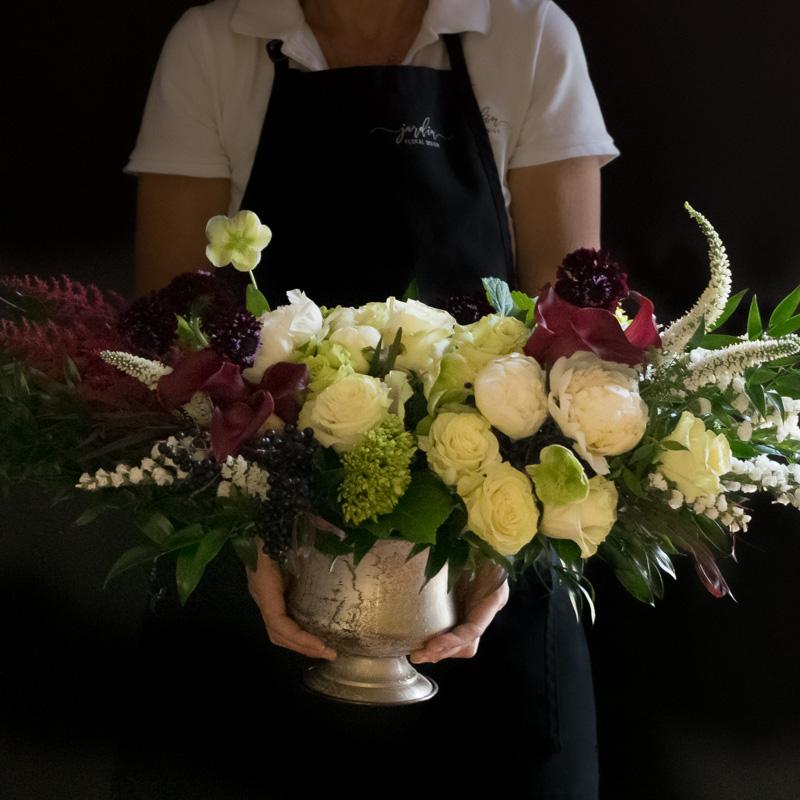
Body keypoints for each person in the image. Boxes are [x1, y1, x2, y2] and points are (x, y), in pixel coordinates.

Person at [113, 1, 619, 798]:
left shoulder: (527, 37)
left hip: (482, 588)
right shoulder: (215, 45)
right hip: (251, 599)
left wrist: (497, 552)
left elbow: (570, 350)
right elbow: (171, 358)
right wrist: (255, 538)